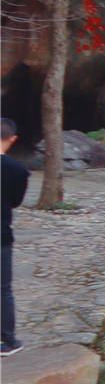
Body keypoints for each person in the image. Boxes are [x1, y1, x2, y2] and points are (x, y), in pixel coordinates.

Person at [2, 117, 25, 354]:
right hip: (2, 235)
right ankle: (6, 340)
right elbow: (16, 201)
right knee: (3, 289)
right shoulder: (18, 170)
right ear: (13, 139)